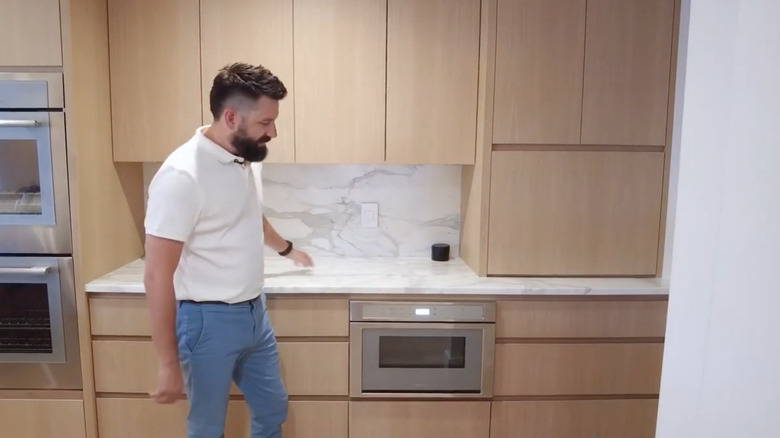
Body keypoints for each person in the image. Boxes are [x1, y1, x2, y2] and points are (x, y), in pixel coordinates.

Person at [143, 62, 313, 438]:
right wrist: (167, 363)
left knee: (272, 411)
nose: (274, 132)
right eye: (265, 123)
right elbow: (156, 274)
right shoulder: (181, 177)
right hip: (207, 323)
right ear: (232, 117)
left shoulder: (245, 156)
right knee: (207, 429)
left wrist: (287, 250)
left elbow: (249, 213)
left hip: (255, 313)